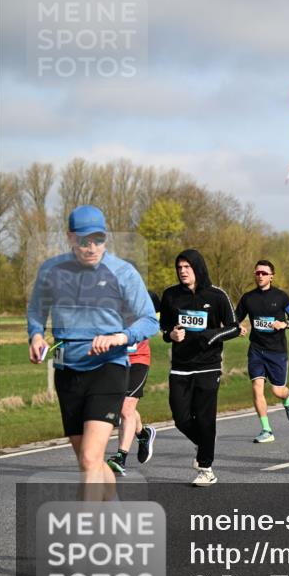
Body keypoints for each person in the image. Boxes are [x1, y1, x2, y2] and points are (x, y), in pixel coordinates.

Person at [27, 205, 158, 498]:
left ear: (106, 238)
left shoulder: (123, 272)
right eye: (84, 240)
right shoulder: (52, 270)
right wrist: (35, 335)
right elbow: (37, 309)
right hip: (68, 372)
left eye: (98, 239)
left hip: (108, 368)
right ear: (70, 238)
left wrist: (119, 337)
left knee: (89, 459)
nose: (92, 247)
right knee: (91, 463)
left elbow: (149, 320)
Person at [160, 249, 239, 486]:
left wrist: (210, 337)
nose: (182, 271)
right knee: (180, 418)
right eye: (179, 268)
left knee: (205, 419)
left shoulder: (216, 296)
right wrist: (171, 335)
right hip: (181, 367)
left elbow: (234, 328)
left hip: (208, 366)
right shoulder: (171, 296)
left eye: (187, 267)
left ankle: (206, 468)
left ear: (198, 268)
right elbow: (165, 330)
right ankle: (204, 444)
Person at [235, 260, 289, 443]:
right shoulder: (248, 298)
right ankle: (266, 430)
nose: (260, 276)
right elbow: (235, 318)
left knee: (277, 391)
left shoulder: (281, 297)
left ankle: (287, 399)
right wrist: (237, 327)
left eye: (264, 273)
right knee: (257, 388)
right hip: (256, 349)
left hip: (277, 351)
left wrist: (284, 324)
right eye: (257, 273)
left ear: (272, 276)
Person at [106, 290, 161, 476]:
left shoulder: (146, 299)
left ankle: (120, 457)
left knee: (126, 408)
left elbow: (157, 320)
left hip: (139, 360)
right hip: (116, 360)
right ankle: (143, 434)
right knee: (122, 407)